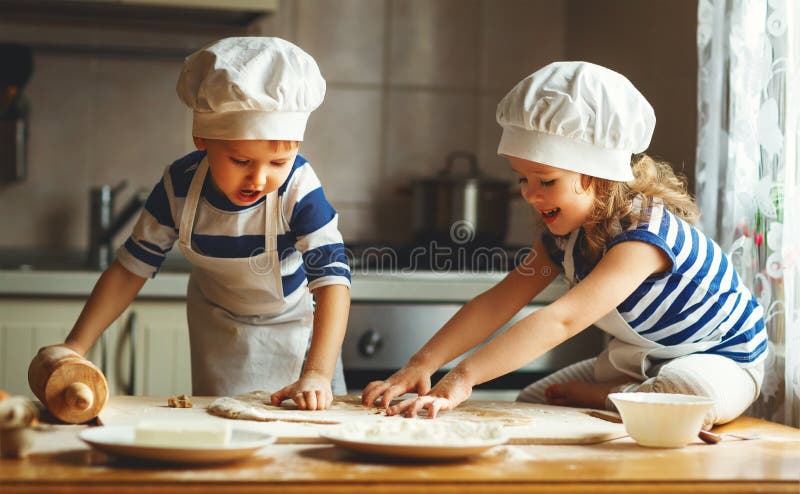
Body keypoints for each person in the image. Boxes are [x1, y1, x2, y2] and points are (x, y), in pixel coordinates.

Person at [361, 61, 767, 428]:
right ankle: (629, 397)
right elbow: (497, 302)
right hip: (640, 361)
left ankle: (619, 398)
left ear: (602, 175)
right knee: (536, 401)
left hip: (723, 359)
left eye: (546, 181)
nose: (529, 194)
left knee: (685, 392)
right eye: (523, 179)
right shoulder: (561, 241)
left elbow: (563, 320)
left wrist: (462, 379)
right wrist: (422, 363)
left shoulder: (644, 236)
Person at [56, 37, 351, 410]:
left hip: (301, 336)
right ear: (202, 140)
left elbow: (332, 281)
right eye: (241, 161)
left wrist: (318, 374)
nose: (258, 179)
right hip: (219, 333)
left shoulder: (299, 186)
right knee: (229, 427)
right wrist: (75, 347)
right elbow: (129, 270)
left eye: (277, 163)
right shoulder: (178, 186)